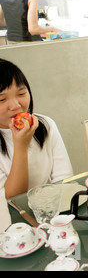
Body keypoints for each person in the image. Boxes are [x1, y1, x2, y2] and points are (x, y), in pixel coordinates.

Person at [0, 58, 73, 232]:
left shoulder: (45, 125)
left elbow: (64, 181)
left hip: (52, 217)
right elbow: (11, 200)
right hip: (12, 226)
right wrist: (21, 147)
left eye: (21, 94)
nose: (16, 105)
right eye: (2, 99)